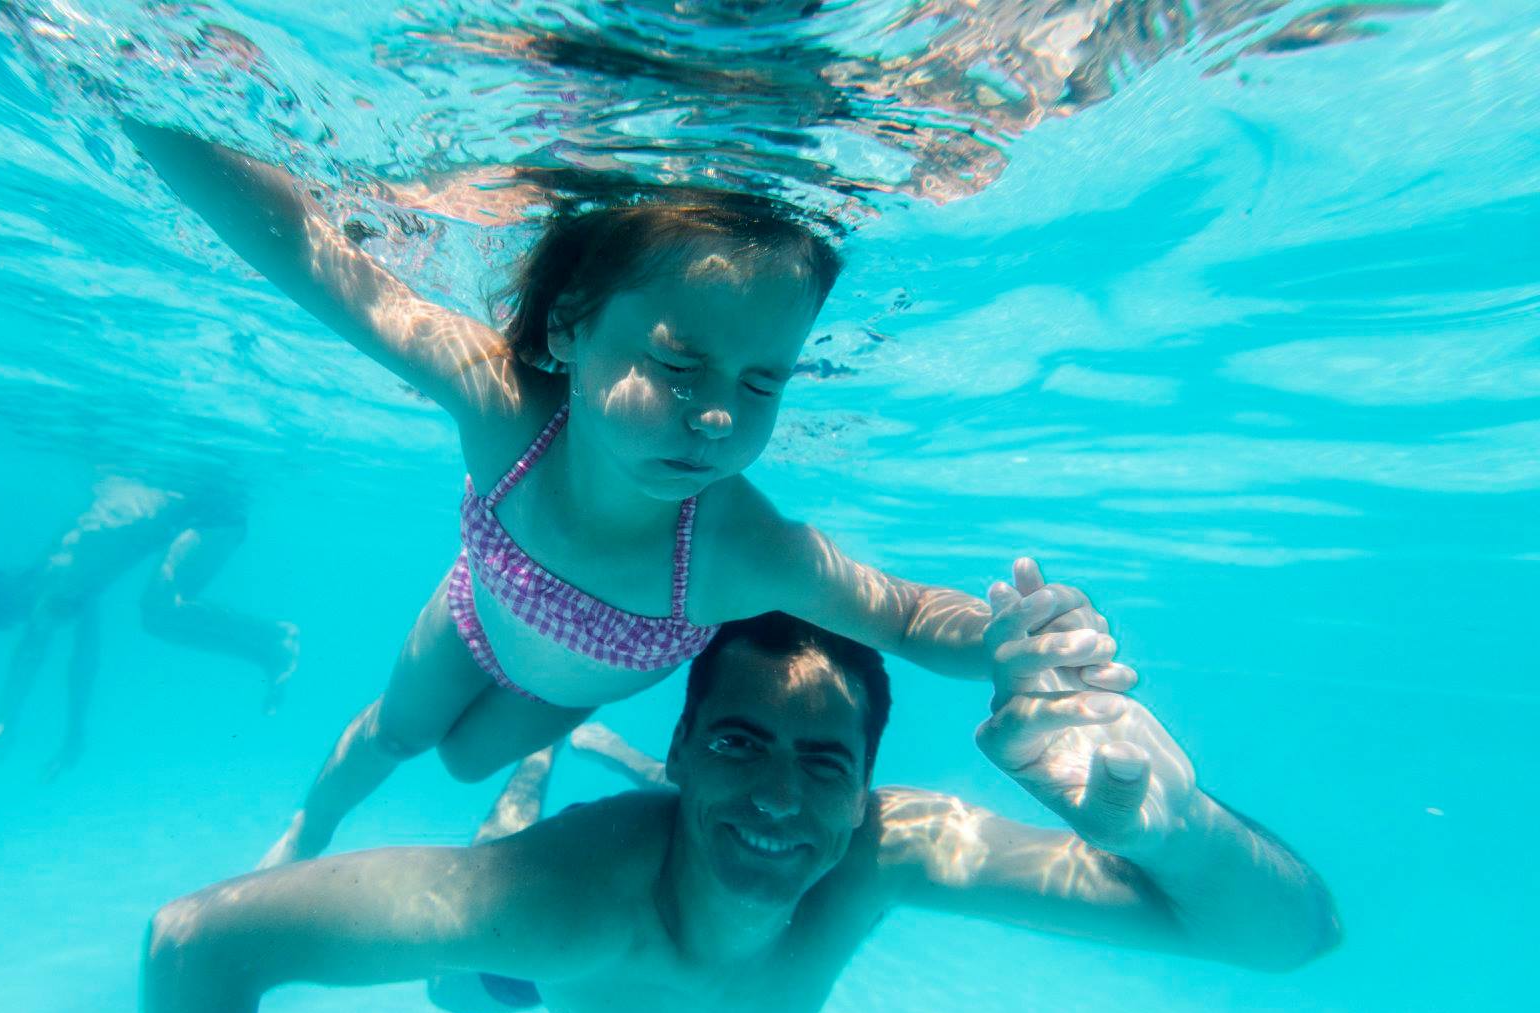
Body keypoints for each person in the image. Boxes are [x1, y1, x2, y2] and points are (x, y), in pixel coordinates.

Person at [141, 562, 1341, 1013]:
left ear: (869, 788)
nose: (778, 796)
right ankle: (533, 767)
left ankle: (546, 760)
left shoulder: (891, 846)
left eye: (823, 760)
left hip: (620, 978)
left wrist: (1178, 832)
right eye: (737, 745)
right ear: (682, 751)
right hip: (552, 964)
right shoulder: (555, 906)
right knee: (465, 980)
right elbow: (194, 942)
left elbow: (1290, 937)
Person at [120, 123, 1135, 864]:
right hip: (475, 608)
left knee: (467, 764)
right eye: (678, 366)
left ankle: (540, 758)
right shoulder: (507, 413)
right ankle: (312, 825)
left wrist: (1000, 643)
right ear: (566, 329)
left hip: (565, 688)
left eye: (760, 382)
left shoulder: (739, 548)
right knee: (397, 730)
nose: (717, 420)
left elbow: (904, 611)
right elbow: (323, 265)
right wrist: (148, 112)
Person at [0, 474, 300, 778]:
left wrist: (52, 731)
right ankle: (264, 653)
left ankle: (276, 636)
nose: (32, 620)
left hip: (214, 511)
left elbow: (69, 661)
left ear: (10, 595)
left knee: (160, 609)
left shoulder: (54, 586)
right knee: (157, 619)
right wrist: (11, 724)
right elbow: (45, 655)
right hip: (206, 513)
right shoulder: (51, 581)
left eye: (16, 613)